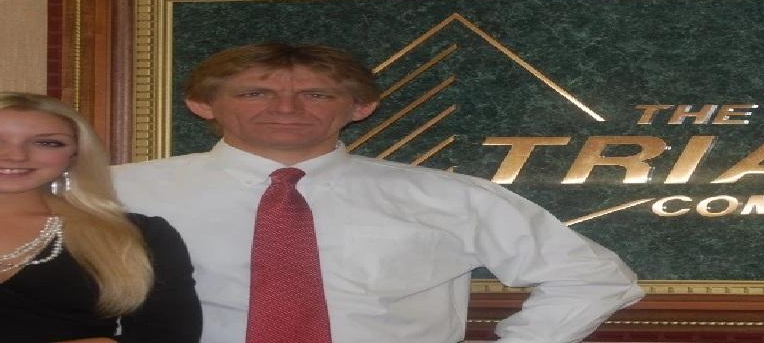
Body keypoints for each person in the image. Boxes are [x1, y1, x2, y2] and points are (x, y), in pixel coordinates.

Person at [112, 42, 645, 343]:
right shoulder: (116, 190)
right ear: (202, 104)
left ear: (360, 107)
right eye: (255, 93)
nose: (286, 108)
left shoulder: (449, 197)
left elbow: (592, 277)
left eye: (317, 94)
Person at [0, 92, 202, 342]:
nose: (16, 156)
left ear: (74, 155)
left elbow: (169, 337)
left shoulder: (136, 235)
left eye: (47, 143)